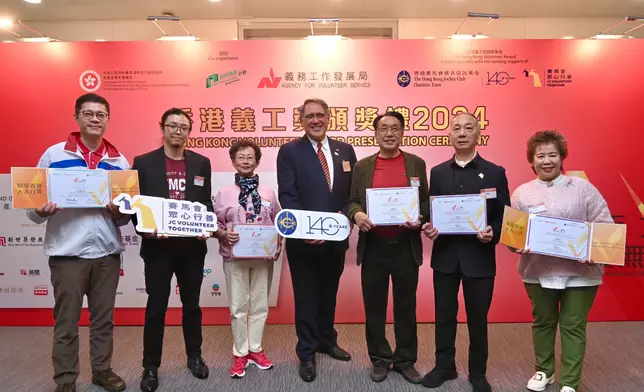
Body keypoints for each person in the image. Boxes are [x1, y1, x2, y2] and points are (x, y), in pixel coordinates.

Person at [26, 93, 130, 392]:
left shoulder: (118, 160)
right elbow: (33, 208)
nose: (95, 119)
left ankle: (102, 371)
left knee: (103, 321)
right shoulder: (54, 155)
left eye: (101, 114)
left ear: (108, 119)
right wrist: (40, 209)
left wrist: (119, 212)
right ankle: (66, 380)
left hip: (107, 253)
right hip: (67, 253)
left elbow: (124, 217)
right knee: (66, 323)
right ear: (77, 118)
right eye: (88, 113)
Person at [509, 131, 613, 392]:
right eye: (540, 155)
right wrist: (517, 245)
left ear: (562, 157)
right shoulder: (522, 193)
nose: (546, 161)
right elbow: (513, 236)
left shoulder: (583, 188)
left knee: (573, 325)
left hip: (581, 271)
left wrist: (596, 250)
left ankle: (569, 381)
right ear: (531, 160)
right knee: (543, 322)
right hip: (537, 270)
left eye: (552, 155)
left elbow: (604, 225)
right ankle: (544, 371)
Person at [422, 112, 510, 392]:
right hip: (445, 257)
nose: (462, 132)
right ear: (449, 135)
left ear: (478, 134)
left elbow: (503, 216)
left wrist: (492, 232)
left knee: (477, 318)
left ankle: (478, 373)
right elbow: (433, 211)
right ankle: (444, 367)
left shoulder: (495, 172)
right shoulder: (437, 172)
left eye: (468, 128)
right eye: (456, 128)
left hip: (480, 259)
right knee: (444, 315)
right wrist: (431, 227)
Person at [276, 98, 357, 382]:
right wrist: (307, 230)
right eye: (309, 116)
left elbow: (353, 193)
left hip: (336, 239)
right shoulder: (289, 151)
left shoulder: (345, 150)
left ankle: (327, 340)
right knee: (307, 296)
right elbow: (287, 194)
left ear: (329, 117)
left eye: (320, 115)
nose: (315, 120)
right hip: (304, 241)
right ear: (301, 120)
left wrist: (343, 218)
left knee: (328, 292)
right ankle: (306, 352)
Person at [132, 108, 213, 392]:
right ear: (162, 128)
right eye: (172, 125)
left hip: (191, 249)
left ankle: (195, 356)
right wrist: (145, 229)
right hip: (158, 249)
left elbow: (205, 204)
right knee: (156, 308)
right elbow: (135, 205)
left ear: (189, 132)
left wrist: (209, 226)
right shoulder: (143, 163)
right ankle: (150, 366)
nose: (178, 131)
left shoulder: (202, 163)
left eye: (184, 127)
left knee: (192, 306)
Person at [348, 111, 429, 384]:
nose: (390, 133)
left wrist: (420, 218)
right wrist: (357, 214)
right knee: (375, 306)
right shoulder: (362, 166)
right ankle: (380, 358)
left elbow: (426, 204)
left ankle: (405, 359)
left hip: (406, 246)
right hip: (374, 247)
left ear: (403, 132)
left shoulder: (416, 164)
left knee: (406, 305)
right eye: (384, 129)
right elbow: (352, 201)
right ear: (376, 133)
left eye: (395, 128)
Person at [214, 140, 282, 378]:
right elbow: (215, 224)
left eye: (250, 157)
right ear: (233, 161)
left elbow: (278, 222)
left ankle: (256, 349)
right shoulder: (223, 194)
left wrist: (277, 243)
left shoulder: (268, 193)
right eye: (240, 157)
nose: (245, 161)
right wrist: (223, 234)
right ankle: (240, 353)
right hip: (235, 257)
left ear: (257, 162)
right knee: (238, 307)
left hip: (263, 257)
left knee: (260, 305)